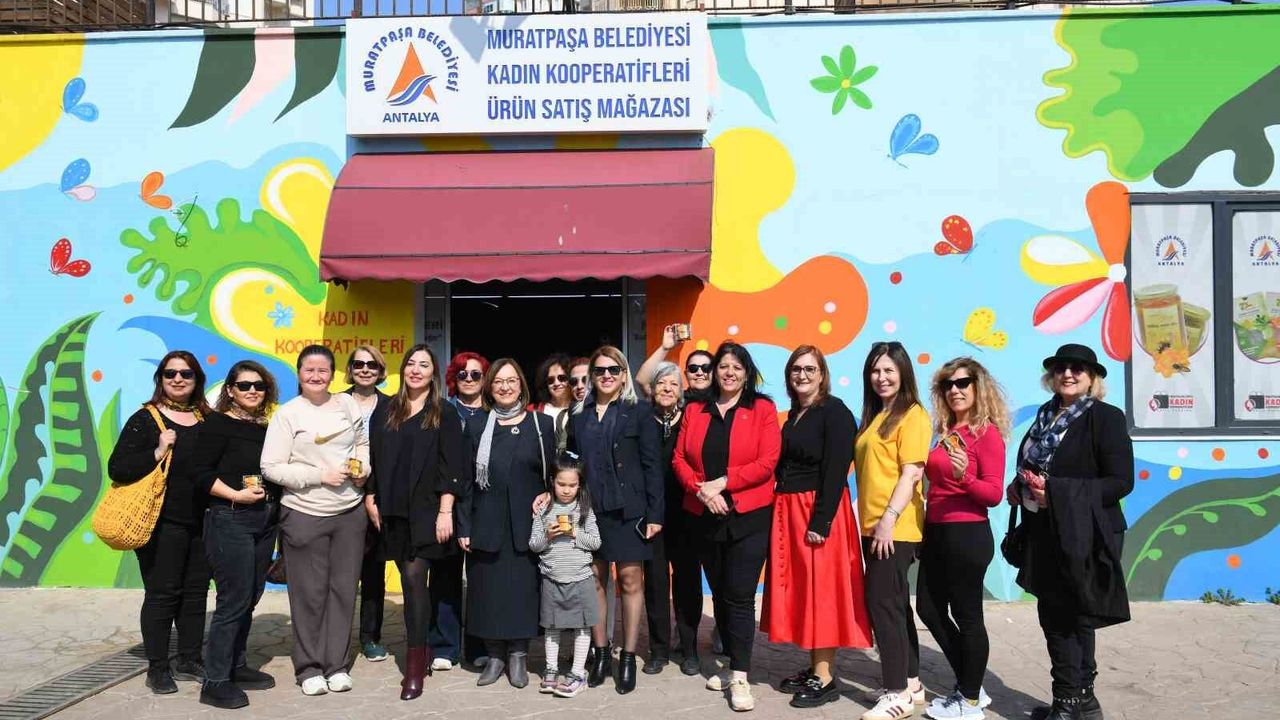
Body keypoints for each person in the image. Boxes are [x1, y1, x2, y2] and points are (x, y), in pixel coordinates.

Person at [1009, 344, 1132, 720]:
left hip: (1087, 533)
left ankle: (1068, 702)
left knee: (1069, 618)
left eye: (1078, 368)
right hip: (1046, 530)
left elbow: (1120, 482)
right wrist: (1019, 485)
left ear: (1092, 377)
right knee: (1059, 616)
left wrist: (1058, 494)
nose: (1068, 374)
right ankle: (1083, 701)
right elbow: (1036, 465)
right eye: (1061, 367)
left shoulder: (1105, 418)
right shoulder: (1045, 416)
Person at [673, 341, 781, 713]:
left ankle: (740, 675)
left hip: (749, 516)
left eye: (737, 366)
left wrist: (724, 483)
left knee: (739, 595)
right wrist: (701, 491)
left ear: (747, 373)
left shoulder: (763, 409)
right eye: (723, 366)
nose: (729, 372)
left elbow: (768, 462)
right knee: (719, 593)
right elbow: (679, 459)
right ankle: (732, 660)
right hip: (704, 515)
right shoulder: (696, 410)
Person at [763, 345, 872, 709]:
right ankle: (815, 667)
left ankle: (825, 678)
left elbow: (837, 470)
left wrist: (821, 521)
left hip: (818, 511)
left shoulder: (835, 412)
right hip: (791, 508)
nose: (803, 375)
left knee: (821, 591)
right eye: (796, 369)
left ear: (823, 374)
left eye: (810, 369)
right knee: (805, 591)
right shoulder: (796, 413)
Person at [260, 345, 370, 696]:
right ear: (299, 374)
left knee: (343, 592)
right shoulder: (288, 414)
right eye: (309, 370)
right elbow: (271, 467)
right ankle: (309, 667)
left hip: (349, 513)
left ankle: (336, 665)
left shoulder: (347, 404)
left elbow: (362, 444)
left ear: (333, 374)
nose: (316, 376)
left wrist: (363, 468)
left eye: (323, 370)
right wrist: (319, 476)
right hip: (304, 513)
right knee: (309, 594)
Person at [365, 345, 468, 700]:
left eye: (424, 365)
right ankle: (420, 654)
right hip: (392, 510)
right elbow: (374, 457)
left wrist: (445, 510)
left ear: (433, 373)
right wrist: (370, 496)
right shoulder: (385, 411)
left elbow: (453, 465)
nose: (416, 370)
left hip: (428, 511)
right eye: (411, 363)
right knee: (411, 582)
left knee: (413, 581)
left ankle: (414, 665)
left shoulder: (444, 412)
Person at [108, 351, 212, 695]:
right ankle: (158, 667)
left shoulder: (206, 418)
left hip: (202, 523)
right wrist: (157, 451)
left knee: (195, 594)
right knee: (162, 595)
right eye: (170, 373)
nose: (178, 379)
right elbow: (117, 468)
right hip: (161, 524)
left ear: (197, 379)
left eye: (186, 373)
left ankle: (189, 659)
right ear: (161, 379)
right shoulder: (146, 419)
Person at [564, 345, 664, 694]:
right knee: (594, 580)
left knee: (631, 580)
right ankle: (602, 653)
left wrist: (655, 513)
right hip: (590, 510)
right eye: (600, 370)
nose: (606, 375)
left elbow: (652, 465)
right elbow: (572, 463)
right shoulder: (579, 415)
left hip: (630, 510)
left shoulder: (640, 412)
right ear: (592, 376)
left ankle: (628, 656)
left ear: (624, 375)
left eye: (614, 370)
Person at [917, 358, 1009, 720]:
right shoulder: (945, 431)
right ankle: (973, 683)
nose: (954, 390)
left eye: (962, 383)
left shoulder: (986, 434)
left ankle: (969, 702)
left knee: (968, 617)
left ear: (978, 387)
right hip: (938, 532)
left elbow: (993, 493)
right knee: (928, 609)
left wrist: (965, 476)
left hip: (967, 533)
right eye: (947, 385)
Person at [457, 359, 556, 689]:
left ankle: (518, 656)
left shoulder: (541, 424)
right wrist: (464, 526)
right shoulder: (476, 426)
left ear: (521, 385)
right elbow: (466, 481)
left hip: (527, 524)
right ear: (489, 387)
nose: (505, 387)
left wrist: (549, 495)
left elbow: (554, 474)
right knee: (487, 594)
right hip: (486, 524)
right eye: (498, 381)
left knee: (522, 594)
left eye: (511, 380)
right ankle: (495, 655)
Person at [194, 360, 280, 709]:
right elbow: (199, 473)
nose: (252, 391)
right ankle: (215, 681)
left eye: (259, 385)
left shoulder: (267, 428)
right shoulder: (216, 424)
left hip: (264, 520)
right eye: (244, 385)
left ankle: (236, 665)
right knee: (233, 599)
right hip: (230, 518)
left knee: (251, 596)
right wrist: (234, 495)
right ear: (230, 390)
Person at [855, 341, 931, 720]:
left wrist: (887, 519)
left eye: (888, 370)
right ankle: (911, 683)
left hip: (895, 528)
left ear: (903, 373)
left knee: (882, 605)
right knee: (896, 606)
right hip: (874, 527)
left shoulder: (913, 415)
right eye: (875, 370)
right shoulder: (877, 415)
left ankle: (896, 692)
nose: (881, 377)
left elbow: (912, 472)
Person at [641, 362, 705, 677]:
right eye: (661, 383)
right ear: (652, 389)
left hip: (687, 513)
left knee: (688, 581)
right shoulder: (642, 420)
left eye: (674, 384)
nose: (667, 388)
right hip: (652, 515)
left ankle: (689, 648)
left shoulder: (691, 419)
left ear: (681, 391)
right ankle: (658, 650)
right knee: (655, 583)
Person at [529, 454, 602, 699]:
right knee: (552, 626)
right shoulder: (543, 508)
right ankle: (551, 669)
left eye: (572, 485)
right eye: (561, 484)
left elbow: (596, 542)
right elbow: (534, 545)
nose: (567, 490)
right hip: (551, 577)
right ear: (552, 481)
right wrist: (548, 536)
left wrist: (574, 533)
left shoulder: (585, 509)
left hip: (580, 578)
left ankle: (578, 673)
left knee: (582, 626)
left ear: (580, 485)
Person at [343, 346, 394, 665]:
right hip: (339, 494)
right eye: (359, 364)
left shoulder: (392, 406)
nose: (365, 369)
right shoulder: (335, 402)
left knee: (373, 572)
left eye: (372, 365)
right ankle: (334, 638)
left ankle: (370, 637)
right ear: (350, 369)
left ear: (380, 370)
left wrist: (373, 492)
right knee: (339, 574)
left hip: (378, 496)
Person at [444, 350, 489, 668]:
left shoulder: (496, 414)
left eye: (475, 374)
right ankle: (445, 647)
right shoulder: (443, 411)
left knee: (480, 581)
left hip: (483, 506)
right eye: (463, 374)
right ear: (453, 378)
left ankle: (478, 647)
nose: (469, 379)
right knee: (446, 578)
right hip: (447, 503)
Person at [635, 324, 715, 404]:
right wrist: (664, 348)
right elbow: (642, 380)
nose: (699, 373)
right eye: (693, 368)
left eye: (706, 368)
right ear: (686, 374)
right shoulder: (675, 398)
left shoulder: (721, 400)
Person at [532, 353, 575, 452]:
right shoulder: (533, 411)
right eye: (550, 380)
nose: (556, 383)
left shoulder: (583, 409)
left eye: (562, 378)